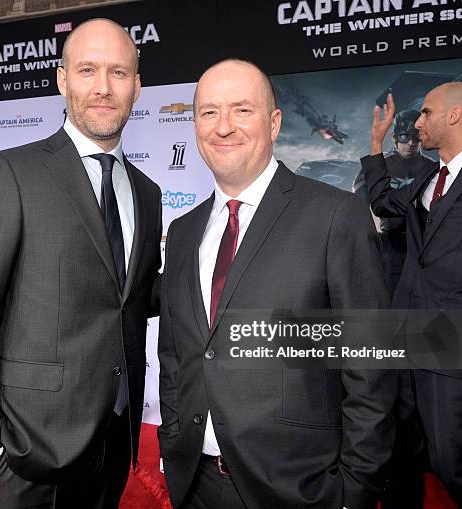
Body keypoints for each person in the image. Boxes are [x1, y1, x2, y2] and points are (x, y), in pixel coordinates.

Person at [158, 59, 395, 509]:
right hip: (196, 486)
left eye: (241, 110)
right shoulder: (184, 230)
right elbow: (176, 355)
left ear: (274, 123)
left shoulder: (335, 215)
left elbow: (372, 367)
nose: (223, 126)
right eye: (209, 112)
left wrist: (354, 489)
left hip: (302, 488)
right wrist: (174, 441)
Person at [0, 18, 162, 509]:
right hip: (29, 449)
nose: (103, 88)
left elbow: (130, 295)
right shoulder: (11, 173)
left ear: (138, 86)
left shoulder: (147, 192)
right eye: (87, 70)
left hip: (114, 440)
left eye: (119, 73)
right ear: (63, 80)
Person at [361, 82, 462, 508]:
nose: (418, 122)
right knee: (400, 458)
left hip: (452, 347)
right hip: (405, 342)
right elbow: (384, 203)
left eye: (426, 113)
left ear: (455, 116)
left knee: (452, 462)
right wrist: (374, 142)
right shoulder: (429, 176)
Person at [353, 109, 435, 296]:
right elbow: (356, 212)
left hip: (427, 246)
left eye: (416, 137)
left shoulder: (434, 169)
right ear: (395, 137)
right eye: (405, 137)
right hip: (391, 246)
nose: (411, 143)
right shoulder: (377, 168)